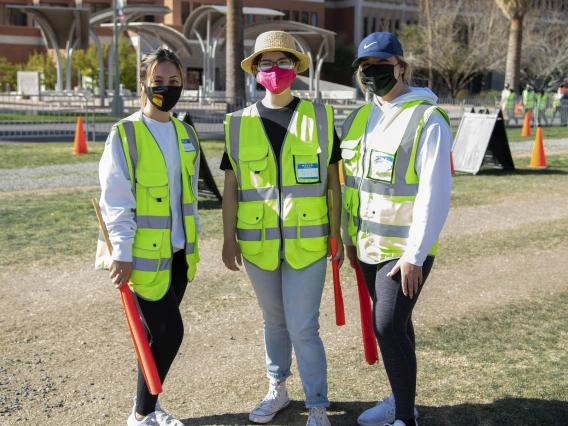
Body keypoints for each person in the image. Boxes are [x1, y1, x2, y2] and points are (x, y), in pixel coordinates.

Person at [221, 30, 344, 426]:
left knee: (304, 326)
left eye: (284, 61)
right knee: (273, 322)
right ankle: (278, 388)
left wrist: (336, 234)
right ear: (256, 71)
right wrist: (227, 239)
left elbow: (332, 184)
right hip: (257, 245)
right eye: (266, 63)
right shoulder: (236, 125)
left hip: (308, 244)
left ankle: (318, 404)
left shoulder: (321, 118)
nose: (275, 69)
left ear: (296, 68)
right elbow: (231, 188)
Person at [341, 32, 452, 426]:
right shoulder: (359, 117)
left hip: (404, 249)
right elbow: (350, 184)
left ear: (401, 66)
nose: (372, 74)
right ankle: (401, 400)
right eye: (364, 68)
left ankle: (405, 416)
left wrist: (414, 256)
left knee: (386, 324)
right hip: (367, 245)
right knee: (397, 325)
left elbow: (434, 194)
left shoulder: (427, 119)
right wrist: (348, 238)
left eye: (381, 66)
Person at [99, 47, 201, 426]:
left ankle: (146, 410)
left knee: (157, 339)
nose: (166, 88)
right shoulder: (125, 134)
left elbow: (188, 195)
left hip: (178, 255)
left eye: (174, 81)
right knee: (170, 333)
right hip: (141, 258)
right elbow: (116, 200)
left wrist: (194, 239)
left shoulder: (186, 133)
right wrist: (121, 252)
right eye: (158, 81)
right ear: (143, 83)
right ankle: (142, 415)